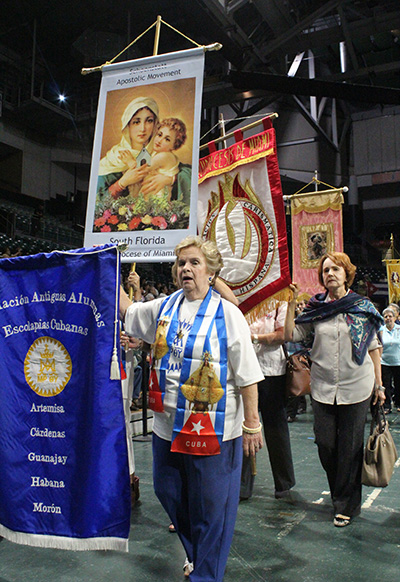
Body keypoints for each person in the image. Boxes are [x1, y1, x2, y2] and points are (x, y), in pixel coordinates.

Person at [119, 235, 264, 582]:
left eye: (194, 262)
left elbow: (247, 374)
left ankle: (206, 575)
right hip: (167, 426)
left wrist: (252, 424)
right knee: (167, 491)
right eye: (181, 262)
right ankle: (198, 556)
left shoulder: (228, 315)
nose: (186, 268)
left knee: (213, 510)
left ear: (211, 271)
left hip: (215, 431)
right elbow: (127, 309)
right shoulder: (164, 306)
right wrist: (105, 266)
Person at [284, 252, 385, 528]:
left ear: (346, 274)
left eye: (336, 269)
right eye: (326, 270)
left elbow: (374, 348)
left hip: (357, 386)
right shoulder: (315, 309)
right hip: (323, 387)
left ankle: (345, 504)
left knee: (351, 448)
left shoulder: (361, 306)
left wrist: (379, 384)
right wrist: (291, 304)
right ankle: (342, 491)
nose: (330, 274)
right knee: (327, 445)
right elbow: (292, 335)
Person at [240, 303, 296, 500]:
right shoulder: (242, 295)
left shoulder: (280, 299)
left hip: (272, 370)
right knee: (244, 426)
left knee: (276, 428)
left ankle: (284, 483)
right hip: (243, 370)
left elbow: (283, 335)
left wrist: (253, 338)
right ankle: (242, 485)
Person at [94, 96, 160, 219]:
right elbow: (97, 205)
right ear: (127, 125)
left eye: (149, 121)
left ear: (155, 124)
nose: (143, 128)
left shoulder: (159, 156)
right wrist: (122, 183)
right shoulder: (112, 160)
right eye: (136, 122)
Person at [380, 307, 400, 413]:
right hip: (384, 362)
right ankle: (387, 406)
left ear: (394, 317)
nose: (388, 318)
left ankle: (399, 403)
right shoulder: (380, 330)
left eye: (390, 316)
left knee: (399, 384)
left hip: (398, 361)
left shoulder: (399, 329)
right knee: (386, 385)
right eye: (385, 316)